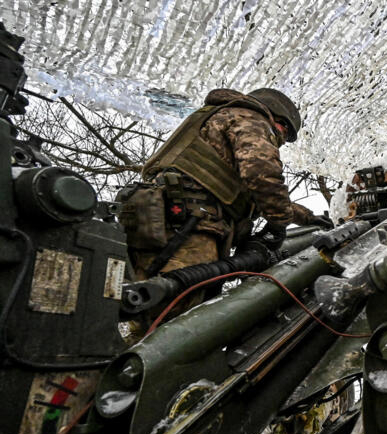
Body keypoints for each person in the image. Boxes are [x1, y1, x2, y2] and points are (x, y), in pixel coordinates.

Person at [119, 88, 329, 329]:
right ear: (277, 119)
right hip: (190, 225)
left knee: (147, 307)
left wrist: (307, 217)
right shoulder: (251, 118)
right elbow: (262, 175)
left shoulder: (219, 118)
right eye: (282, 134)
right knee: (179, 315)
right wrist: (279, 222)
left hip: (157, 220)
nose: (278, 140)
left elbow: (249, 193)